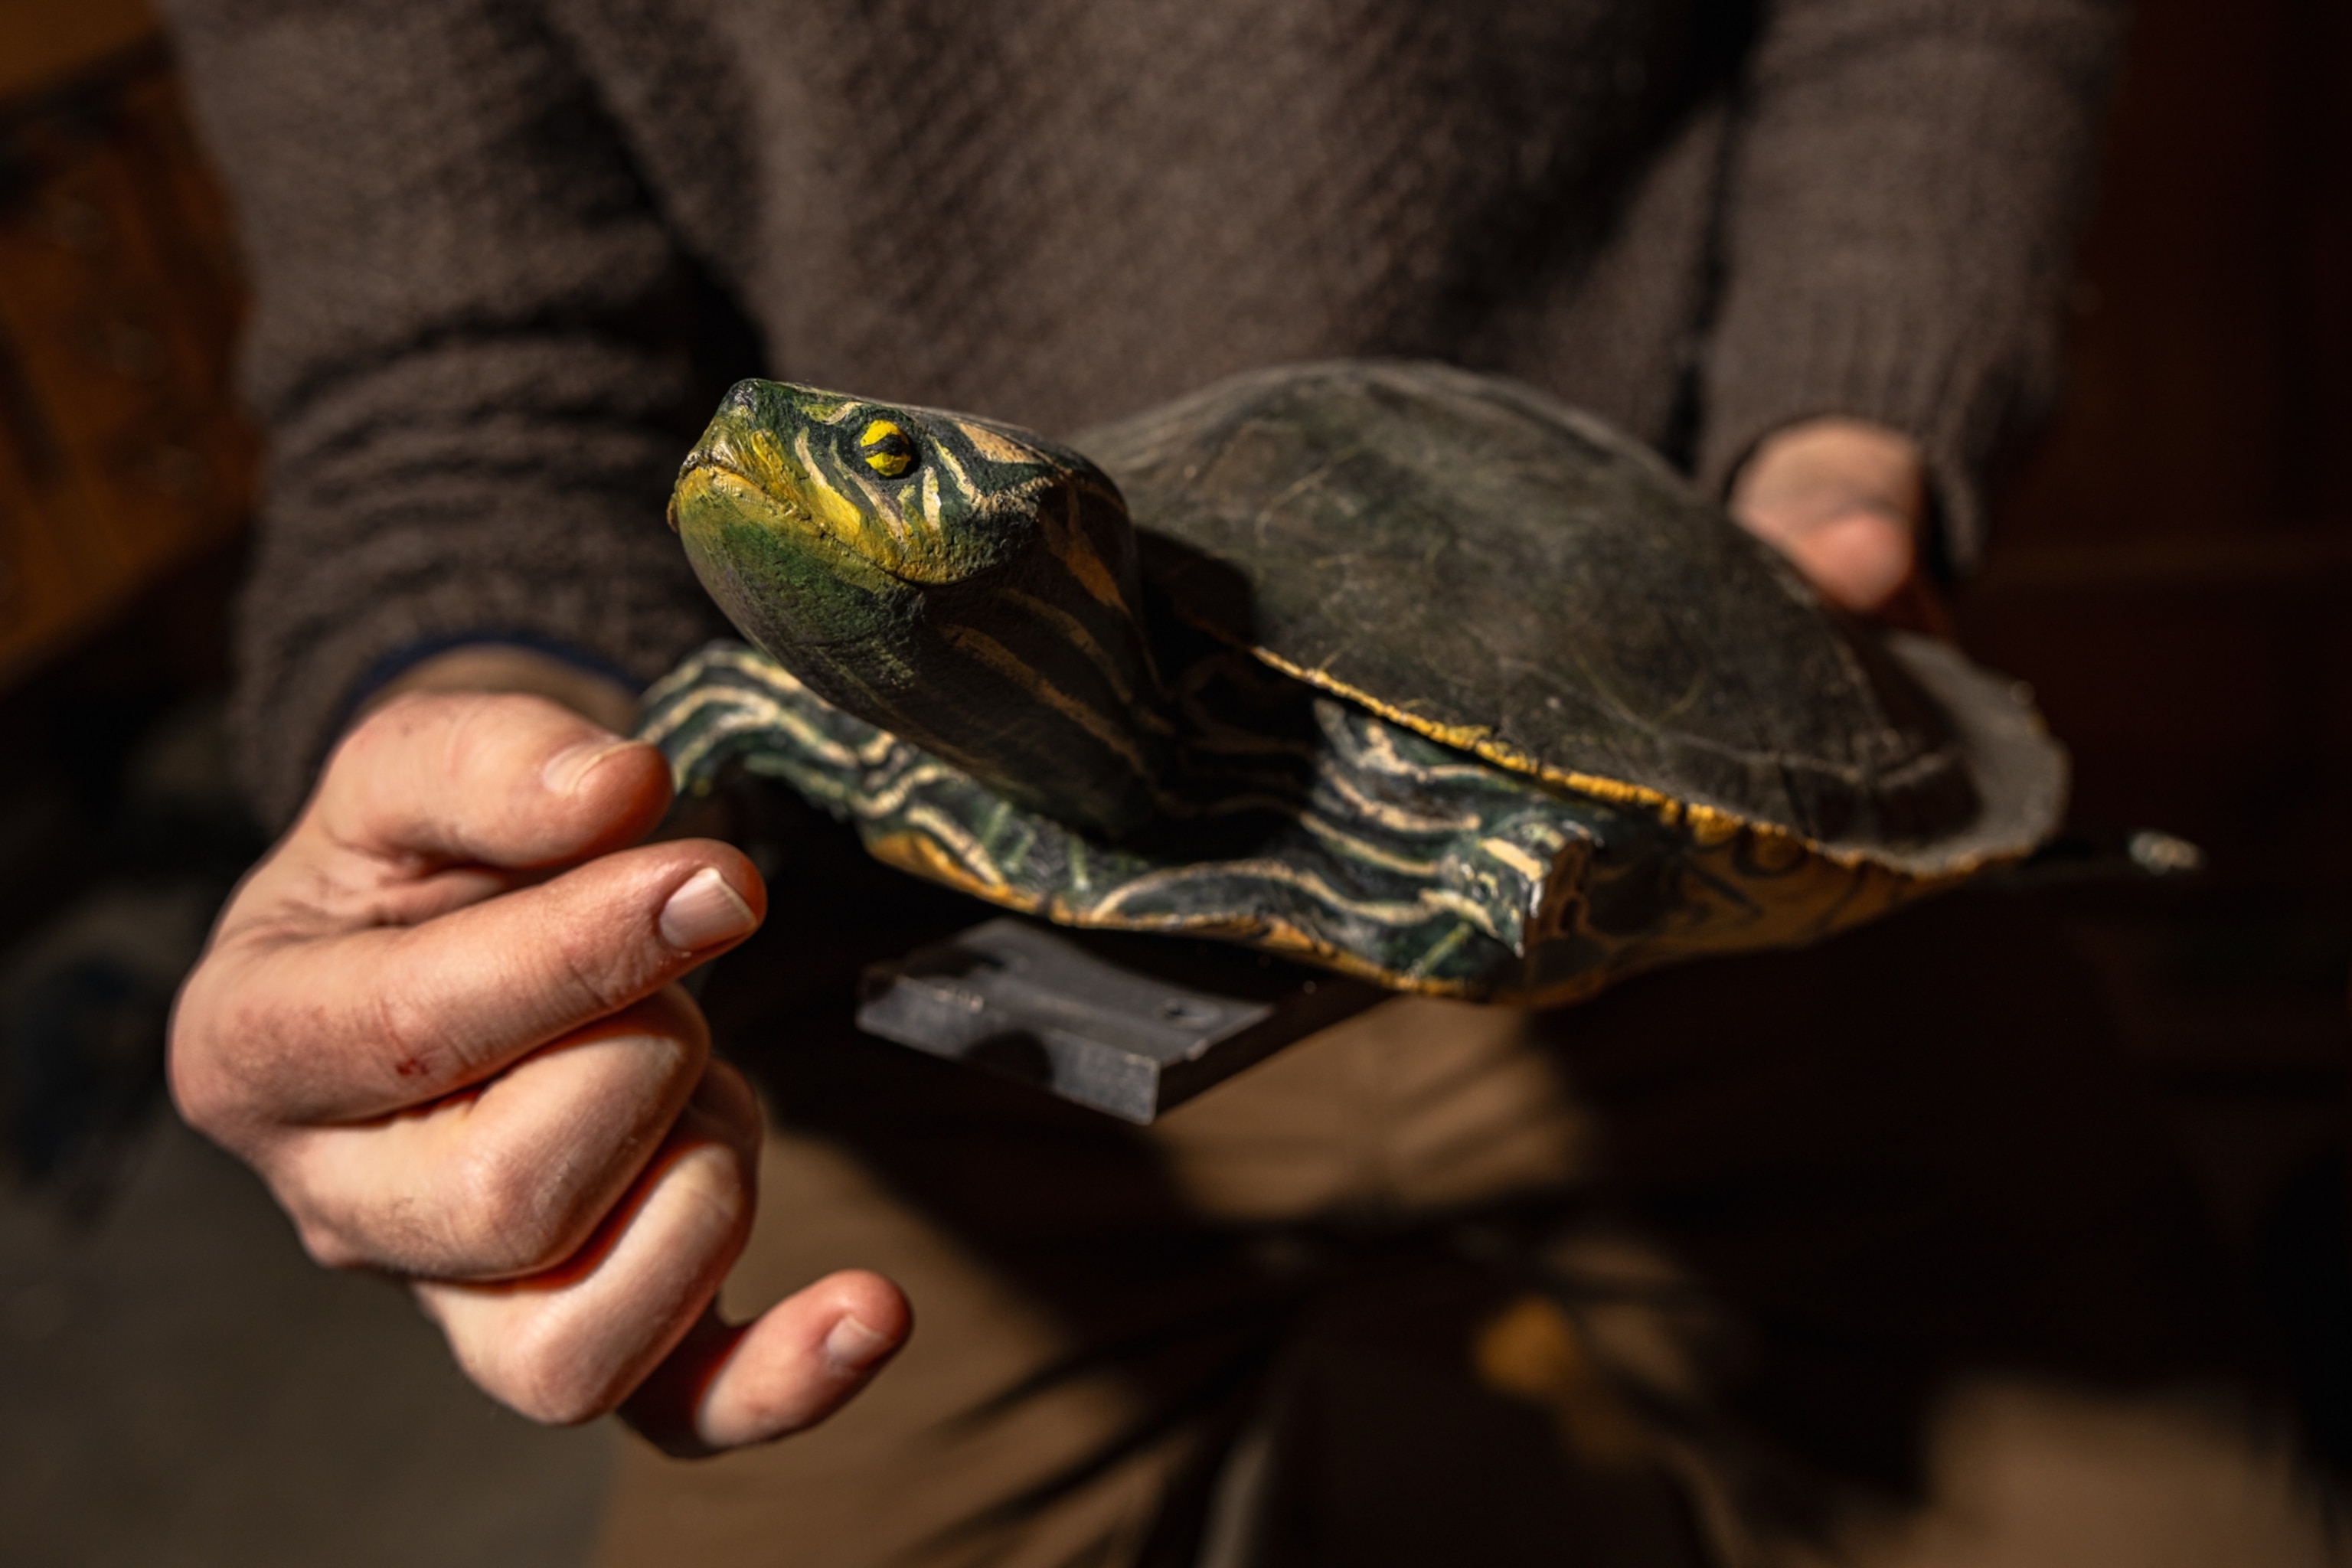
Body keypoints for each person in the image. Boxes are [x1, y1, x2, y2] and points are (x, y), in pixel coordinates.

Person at [163, 2, 2337, 1563]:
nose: (775, 470)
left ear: (1040, 529)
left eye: (880, 464)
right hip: (933, 986)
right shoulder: (834, 726)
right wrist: (496, 808)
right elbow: (462, 372)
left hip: (1641, 847)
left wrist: (1855, 428)